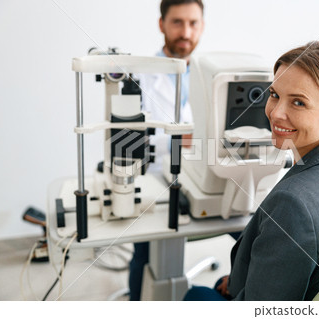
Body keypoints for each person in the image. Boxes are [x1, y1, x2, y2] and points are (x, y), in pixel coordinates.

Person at [183, 41, 319, 301]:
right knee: (218, 284)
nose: (275, 113)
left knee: (194, 295)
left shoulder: (293, 204)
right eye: (274, 95)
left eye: (298, 103)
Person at [128, 0, 205, 301]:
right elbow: (131, 141)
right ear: (162, 24)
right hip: (156, 179)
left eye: (193, 23)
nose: (186, 31)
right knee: (145, 249)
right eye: (177, 22)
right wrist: (180, 139)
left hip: (201, 175)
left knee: (251, 234)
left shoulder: (209, 76)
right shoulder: (139, 77)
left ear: (202, 26)